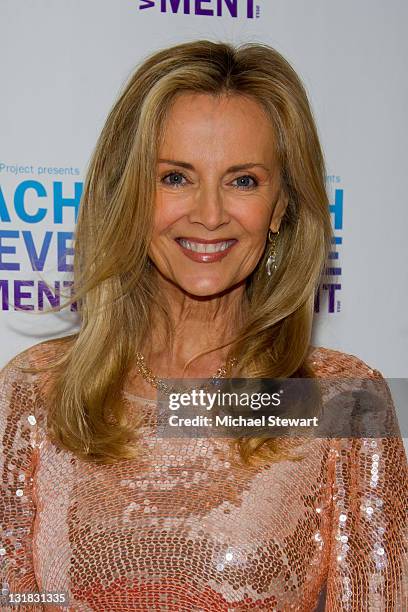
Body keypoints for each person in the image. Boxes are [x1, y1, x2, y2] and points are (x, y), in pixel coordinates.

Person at [0, 40, 406, 611]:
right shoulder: (35, 389)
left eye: (243, 181)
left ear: (283, 204)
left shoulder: (344, 403)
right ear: (129, 193)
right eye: (175, 177)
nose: (210, 214)